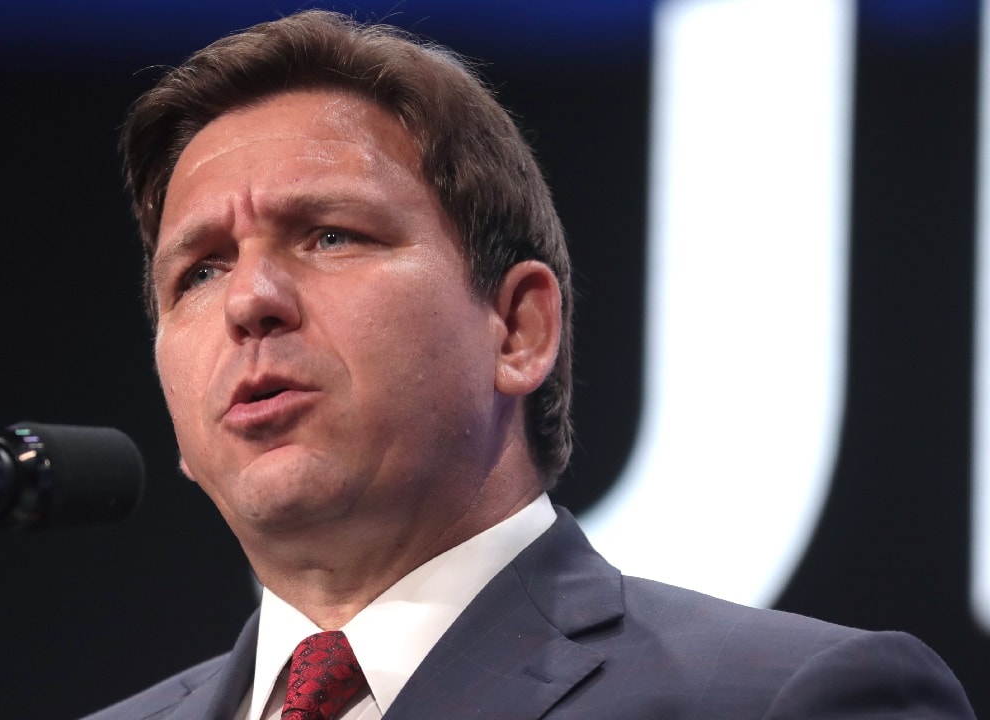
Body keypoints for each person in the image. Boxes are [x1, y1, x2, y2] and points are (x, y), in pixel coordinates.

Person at [88, 9, 974, 719]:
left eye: (329, 234)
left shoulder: (794, 699)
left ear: (519, 329)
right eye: (199, 270)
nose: (249, 301)